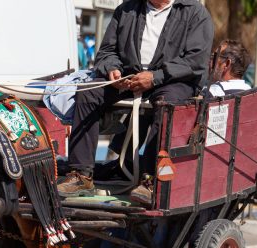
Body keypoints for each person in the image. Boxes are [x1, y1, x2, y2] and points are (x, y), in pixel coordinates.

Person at [57, 0, 214, 201]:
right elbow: (107, 52)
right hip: (129, 77)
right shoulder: (126, 9)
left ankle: (150, 180)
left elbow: (195, 62)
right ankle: (81, 175)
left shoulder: (195, 13)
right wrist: (113, 70)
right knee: (87, 92)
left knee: (167, 104)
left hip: (173, 81)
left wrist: (155, 77)